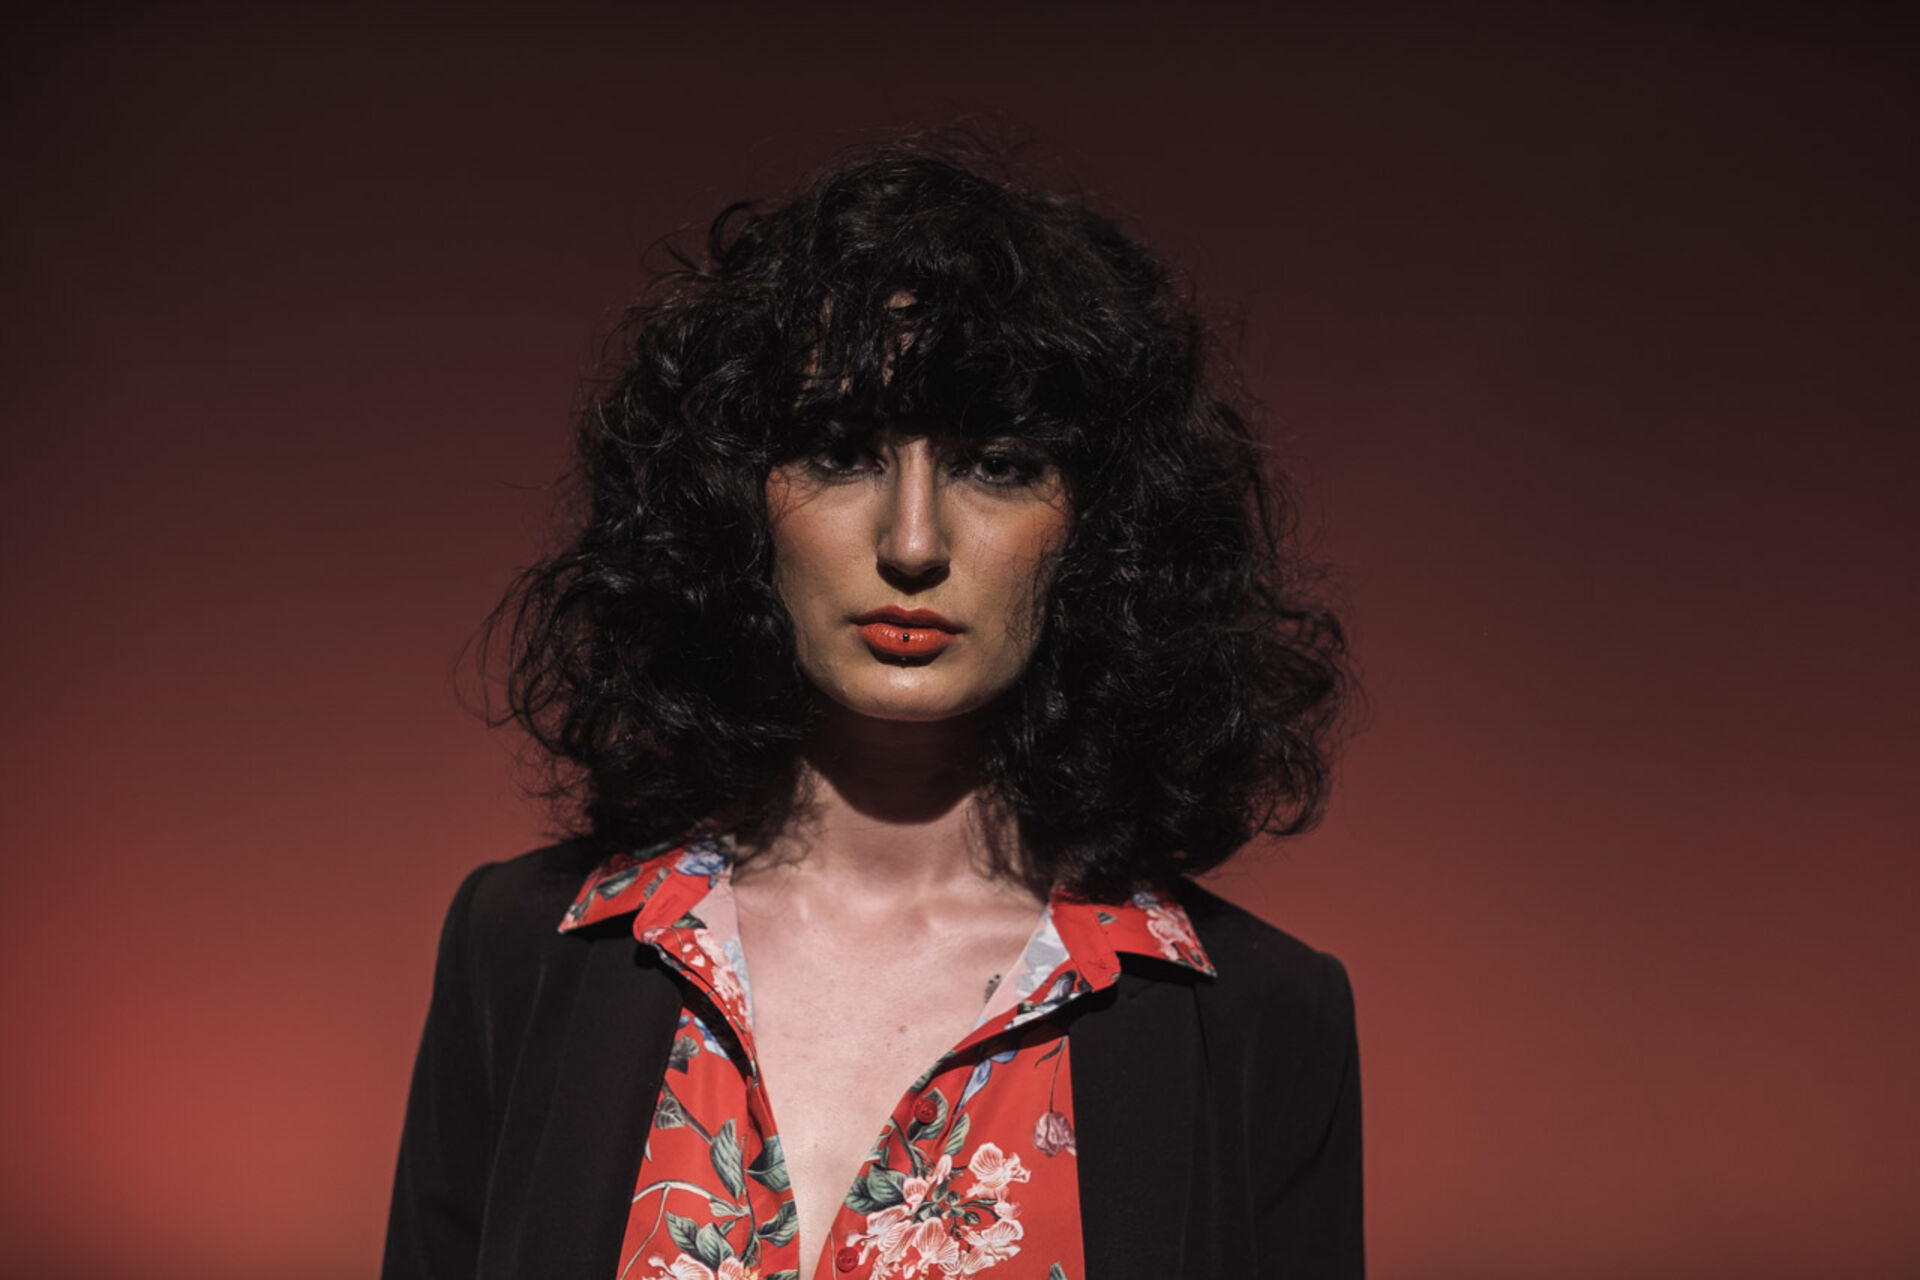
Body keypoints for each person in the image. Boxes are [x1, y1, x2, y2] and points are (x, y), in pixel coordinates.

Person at [383, 136, 1361, 1280]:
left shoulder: (1261, 1016)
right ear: (734, 496)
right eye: (840, 452)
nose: (912, 542)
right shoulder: (520, 945)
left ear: (1102, 527)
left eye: (997, 463)